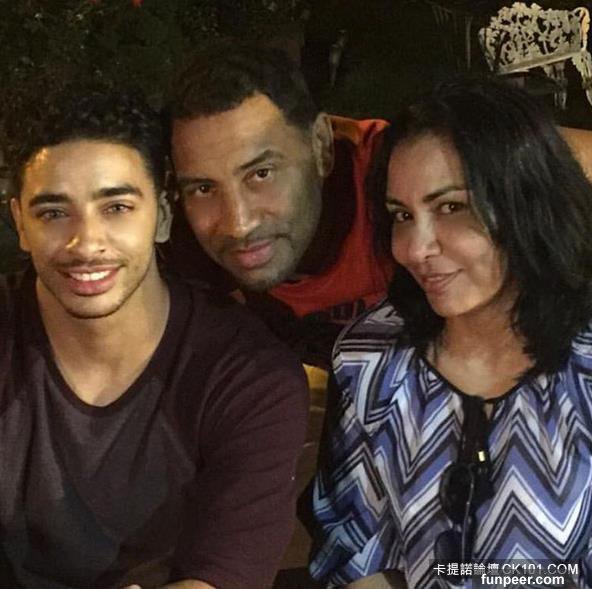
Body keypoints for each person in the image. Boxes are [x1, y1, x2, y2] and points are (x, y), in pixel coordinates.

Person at [1, 90, 308, 589]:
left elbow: (221, 578)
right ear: (19, 222)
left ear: (163, 215)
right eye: (54, 213)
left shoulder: (247, 377)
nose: (87, 243)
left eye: (117, 207)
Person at [309, 78, 592, 588]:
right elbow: (352, 550)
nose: (415, 249)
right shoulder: (370, 357)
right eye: (401, 215)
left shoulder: (583, 367)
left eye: (451, 207)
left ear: (526, 199)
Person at [167, 40, 393, 368]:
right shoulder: (180, 254)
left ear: (321, 147)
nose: (238, 225)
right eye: (204, 188)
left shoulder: (400, 182)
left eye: (261, 173)